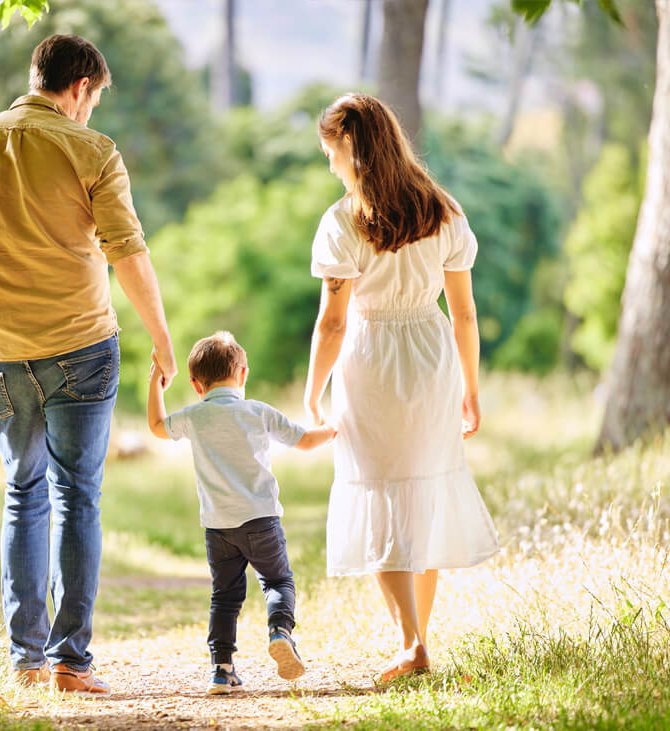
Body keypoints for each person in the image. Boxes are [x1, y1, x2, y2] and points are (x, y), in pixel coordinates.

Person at [0, 34, 178, 697]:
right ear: (81, 87)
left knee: (22, 494)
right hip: (83, 348)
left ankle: (26, 660)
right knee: (76, 497)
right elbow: (127, 250)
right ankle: (70, 662)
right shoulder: (91, 150)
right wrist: (162, 336)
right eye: (94, 97)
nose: (91, 109)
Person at [303, 94, 499, 682]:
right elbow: (464, 315)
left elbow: (333, 322)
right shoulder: (444, 210)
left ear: (350, 146)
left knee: (381, 493)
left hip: (372, 361)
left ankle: (411, 644)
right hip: (432, 356)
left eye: (330, 150)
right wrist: (471, 385)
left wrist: (313, 394)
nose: (328, 162)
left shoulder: (343, 221)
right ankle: (415, 642)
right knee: (421, 494)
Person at [146, 331, 336, 694]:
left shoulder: (194, 417)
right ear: (243, 374)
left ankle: (222, 669)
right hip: (261, 519)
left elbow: (156, 427)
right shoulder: (258, 412)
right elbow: (307, 440)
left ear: (196, 385)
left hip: (217, 527)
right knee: (278, 582)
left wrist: (156, 380)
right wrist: (331, 429)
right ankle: (279, 630)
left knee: (225, 595)